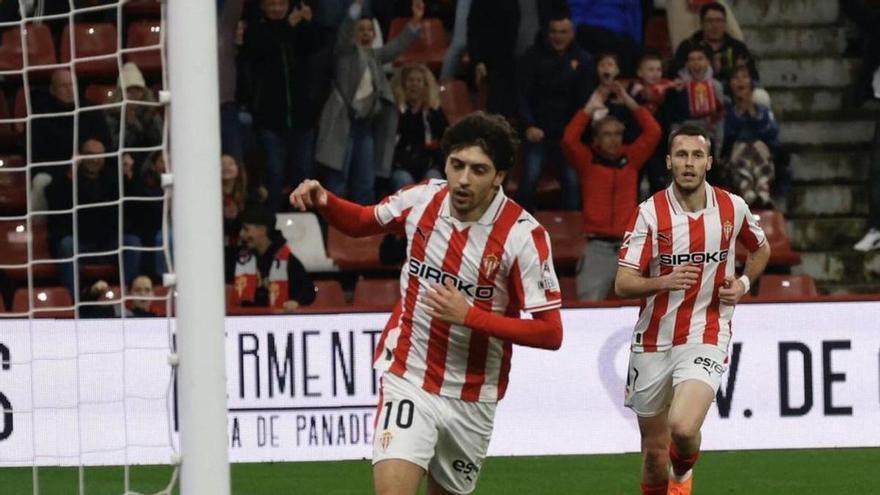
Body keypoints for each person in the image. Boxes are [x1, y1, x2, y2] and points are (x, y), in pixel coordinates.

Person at [290, 111, 563, 495]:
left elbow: (551, 333)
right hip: (409, 375)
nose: (464, 179)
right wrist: (325, 200)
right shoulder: (422, 199)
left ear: (500, 176)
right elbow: (362, 222)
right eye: (457, 165)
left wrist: (470, 316)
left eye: (479, 170)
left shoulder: (523, 236)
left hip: (473, 393)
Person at [614, 124, 771, 495]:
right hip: (653, 339)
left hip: (707, 331)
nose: (689, 163)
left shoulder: (732, 207)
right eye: (681, 155)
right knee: (654, 456)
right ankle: (672, 472)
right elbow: (623, 282)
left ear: (709, 162)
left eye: (697, 155)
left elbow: (761, 248)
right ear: (669, 162)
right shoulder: (649, 214)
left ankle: (683, 473)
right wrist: (662, 282)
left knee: (683, 428)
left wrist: (744, 284)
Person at [315, 0, 423, 205]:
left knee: (365, 182)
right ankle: (330, 226)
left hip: (364, 127)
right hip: (344, 125)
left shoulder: (374, 56)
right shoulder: (345, 53)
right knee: (338, 180)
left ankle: (366, 229)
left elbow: (395, 47)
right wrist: (356, 8)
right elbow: (345, 30)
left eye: (369, 30)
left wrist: (415, 21)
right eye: (361, 29)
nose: (365, 33)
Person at [562, 83, 661, 300]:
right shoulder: (587, 161)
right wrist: (590, 106)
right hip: (597, 246)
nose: (614, 139)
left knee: (640, 310)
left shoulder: (631, 159)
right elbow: (569, 138)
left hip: (630, 246)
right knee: (588, 306)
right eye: (607, 134)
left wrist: (628, 101)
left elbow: (654, 131)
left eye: (617, 134)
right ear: (596, 139)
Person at [240, 0, 321, 213]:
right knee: (274, 174)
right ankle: (272, 221)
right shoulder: (256, 31)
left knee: (303, 174)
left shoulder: (300, 27)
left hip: (302, 118)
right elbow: (258, 51)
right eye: (272, 4)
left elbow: (315, 46)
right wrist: (287, 26)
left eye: (281, 4)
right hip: (270, 119)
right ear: (263, 7)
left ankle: (305, 220)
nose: (277, 9)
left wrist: (308, 23)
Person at [514, 13, 595, 212]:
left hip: (569, 137)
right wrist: (529, 125)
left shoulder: (584, 61)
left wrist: (574, 134)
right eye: (554, 32)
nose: (558, 36)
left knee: (573, 183)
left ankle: (573, 234)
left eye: (563, 32)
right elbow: (521, 96)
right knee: (528, 180)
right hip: (538, 133)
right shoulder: (531, 57)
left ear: (572, 33)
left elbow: (585, 103)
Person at [45, 138, 142, 299]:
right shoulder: (66, 179)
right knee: (67, 245)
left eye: (99, 155)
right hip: (80, 243)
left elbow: (133, 207)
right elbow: (55, 201)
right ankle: (72, 300)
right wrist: (70, 176)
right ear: (81, 156)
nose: (95, 159)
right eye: (90, 154)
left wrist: (129, 177)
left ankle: (126, 298)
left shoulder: (112, 178)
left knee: (132, 243)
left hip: (107, 243)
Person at [232, 208, 315, 311]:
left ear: (262, 230)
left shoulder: (287, 261)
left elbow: (308, 291)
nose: (241, 234)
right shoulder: (239, 258)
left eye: (246, 229)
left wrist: (295, 302)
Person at [672, 2, 759, 91]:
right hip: (697, 92)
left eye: (719, 21)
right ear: (701, 23)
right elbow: (674, 77)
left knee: (761, 96)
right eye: (710, 21)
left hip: (733, 94)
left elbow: (754, 78)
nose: (715, 25)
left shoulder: (737, 47)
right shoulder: (688, 46)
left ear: (725, 23)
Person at [389, 63, 449, 192]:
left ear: (425, 85)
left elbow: (445, 139)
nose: (414, 84)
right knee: (405, 182)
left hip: (429, 165)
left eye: (418, 81)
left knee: (434, 182)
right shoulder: (395, 112)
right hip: (401, 166)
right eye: (411, 80)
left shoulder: (434, 112)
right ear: (404, 84)